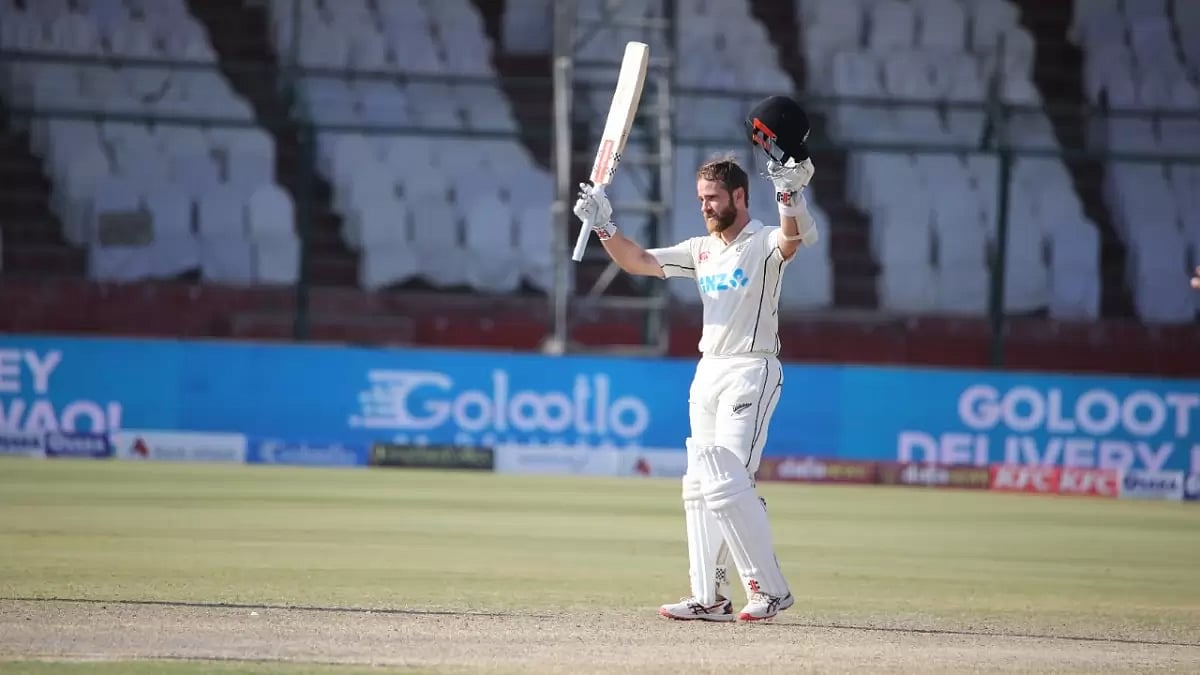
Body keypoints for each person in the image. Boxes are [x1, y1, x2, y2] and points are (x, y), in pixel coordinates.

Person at [572, 95, 818, 622]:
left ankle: (769, 589)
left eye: (713, 198)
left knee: (729, 482)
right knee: (699, 486)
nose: (705, 206)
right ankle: (708, 596)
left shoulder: (764, 241)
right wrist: (603, 225)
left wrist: (790, 191)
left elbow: (795, 238)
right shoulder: (700, 251)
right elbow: (638, 262)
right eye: (701, 198)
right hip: (707, 372)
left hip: (752, 368)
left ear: (739, 196)